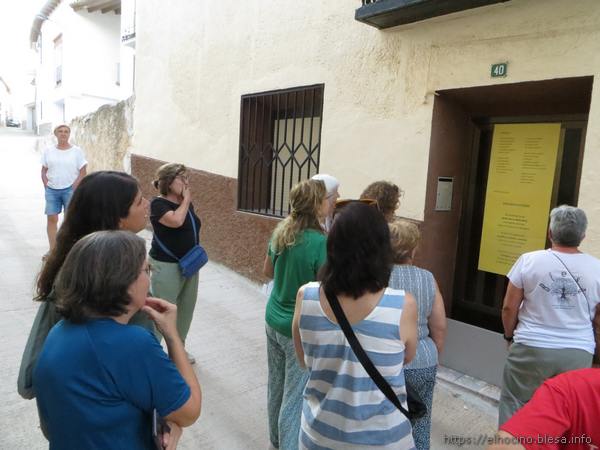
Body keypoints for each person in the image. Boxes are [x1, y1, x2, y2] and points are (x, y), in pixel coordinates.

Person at [33, 230, 201, 449]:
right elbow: (189, 411)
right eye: (146, 269)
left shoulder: (58, 332)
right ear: (123, 281)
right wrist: (172, 335)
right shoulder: (132, 344)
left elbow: (53, 427)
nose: (149, 277)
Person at [292, 202, 418, 449]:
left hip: (319, 437)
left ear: (332, 245)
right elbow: (406, 357)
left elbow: (303, 360)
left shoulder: (305, 297)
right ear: (382, 250)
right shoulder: (403, 305)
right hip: (385, 440)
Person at [18, 171, 152, 400]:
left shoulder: (74, 263)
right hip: (106, 418)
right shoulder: (111, 276)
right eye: (139, 201)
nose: (147, 205)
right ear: (118, 218)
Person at [498, 205, 600, 425]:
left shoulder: (529, 260)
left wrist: (509, 336)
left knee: (515, 404)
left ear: (550, 233)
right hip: (578, 350)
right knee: (567, 412)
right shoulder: (597, 268)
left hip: (531, 346)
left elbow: (509, 307)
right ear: (582, 236)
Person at [263, 179, 329, 450]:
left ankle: (276, 441)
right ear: (316, 205)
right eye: (325, 199)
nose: (329, 203)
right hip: (298, 329)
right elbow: (326, 288)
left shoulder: (281, 231)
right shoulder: (319, 242)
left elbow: (268, 271)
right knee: (294, 395)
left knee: (276, 385)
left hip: (272, 319)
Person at [388, 219, 447, 450]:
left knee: (387, 423)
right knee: (421, 422)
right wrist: (432, 355)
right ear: (414, 248)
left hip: (386, 360)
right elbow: (439, 326)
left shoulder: (376, 277)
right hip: (423, 359)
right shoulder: (427, 278)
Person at [149, 163, 202, 363]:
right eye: (182, 178)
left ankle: (178, 351)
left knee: (186, 310)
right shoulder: (158, 204)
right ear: (169, 181)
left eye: (188, 178)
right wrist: (186, 200)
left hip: (190, 265)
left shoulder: (185, 204)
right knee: (163, 311)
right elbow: (176, 221)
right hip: (167, 266)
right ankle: (152, 354)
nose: (187, 183)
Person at [487, 368, 600, 450]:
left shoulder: (570, 388)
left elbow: (504, 445)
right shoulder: (572, 389)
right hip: (579, 350)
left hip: (538, 347)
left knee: (513, 401)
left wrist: (508, 338)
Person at [41, 124, 87, 253]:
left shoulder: (76, 151)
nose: (63, 133)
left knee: (69, 220)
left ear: (69, 134)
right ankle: (53, 250)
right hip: (52, 190)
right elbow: (43, 170)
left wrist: (74, 186)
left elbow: (83, 171)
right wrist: (46, 183)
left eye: (66, 131)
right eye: (60, 131)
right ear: (56, 134)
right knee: (52, 219)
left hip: (69, 190)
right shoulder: (48, 151)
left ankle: (68, 249)